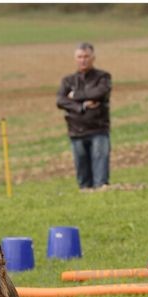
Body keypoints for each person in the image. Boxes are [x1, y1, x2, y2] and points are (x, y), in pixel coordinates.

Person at [56, 42, 112, 190]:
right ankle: (85, 195)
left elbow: (99, 93)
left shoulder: (103, 77)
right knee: (83, 177)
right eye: (80, 57)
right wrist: (81, 107)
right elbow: (60, 100)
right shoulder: (68, 81)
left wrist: (75, 95)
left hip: (98, 130)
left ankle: (101, 194)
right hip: (77, 131)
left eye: (86, 56)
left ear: (93, 58)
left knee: (100, 178)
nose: (83, 60)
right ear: (75, 59)